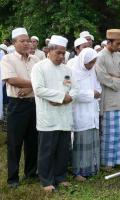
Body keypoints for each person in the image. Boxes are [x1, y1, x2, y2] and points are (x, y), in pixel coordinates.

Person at [31, 35, 78, 192]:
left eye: (63, 53)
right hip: (48, 116)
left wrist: (69, 97)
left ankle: (61, 177)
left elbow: (75, 89)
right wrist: (60, 97)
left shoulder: (68, 70)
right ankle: (46, 180)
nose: (61, 56)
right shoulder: (39, 67)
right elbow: (38, 89)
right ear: (49, 51)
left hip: (64, 115)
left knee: (62, 149)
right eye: (58, 52)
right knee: (47, 150)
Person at [1, 27, 39, 187]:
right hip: (17, 105)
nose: (26, 44)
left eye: (28, 40)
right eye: (22, 41)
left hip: (34, 104)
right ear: (14, 43)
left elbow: (41, 79)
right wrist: (35, 84)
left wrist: (31, 87)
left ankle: (30, 174)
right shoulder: (8, 60)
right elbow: (11, 80)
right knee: (15, 143)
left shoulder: (36, 60)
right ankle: (13, 179)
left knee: (33, 141)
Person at [96, 29, 120, 170]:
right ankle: (108, 163)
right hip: (108, 100)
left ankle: (119, 159)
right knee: (110, 135)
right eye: (118, 44)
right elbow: (102, 77)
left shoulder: (119, 55)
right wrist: (118, 79)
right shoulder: (100, 57)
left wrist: (117, 77)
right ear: (108, 42)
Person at [72, 48, 101, 181]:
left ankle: (92, 168)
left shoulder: (92, 72)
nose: (91, 65)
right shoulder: (73, 73)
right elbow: (75, 94)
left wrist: (97, 93)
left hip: (92, 110)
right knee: (82, 142)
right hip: (81, 113)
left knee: (93, 140)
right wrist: (91, 94)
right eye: (90, 62)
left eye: (93, 62)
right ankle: (79, 171)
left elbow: (98, 87)